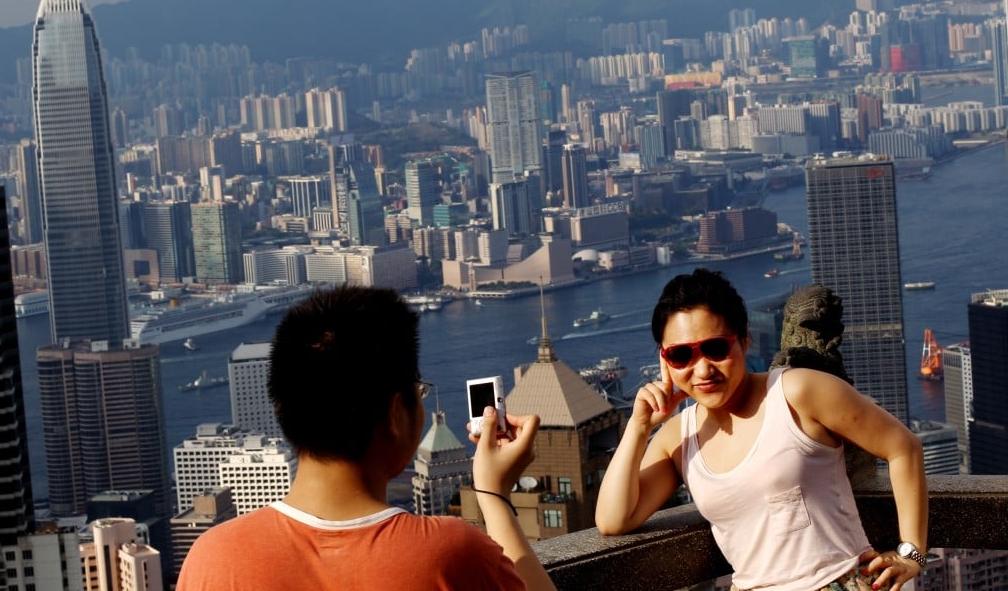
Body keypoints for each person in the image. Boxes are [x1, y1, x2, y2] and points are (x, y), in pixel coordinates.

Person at [178, 285, 554, 591]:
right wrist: (493, 494)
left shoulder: (213, 558)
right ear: (395, 414)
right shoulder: (450, 553)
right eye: (418, 392)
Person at [595, 269, 928, 591]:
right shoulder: (678, 437)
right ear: (665, 360)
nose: (702, 369)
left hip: (840, 582)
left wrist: (911, 554)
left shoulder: (797, 392)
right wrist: (638, 427)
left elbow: (903, 447)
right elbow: (613, 520)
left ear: (744, 340)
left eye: (715, 348)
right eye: (681, 355)